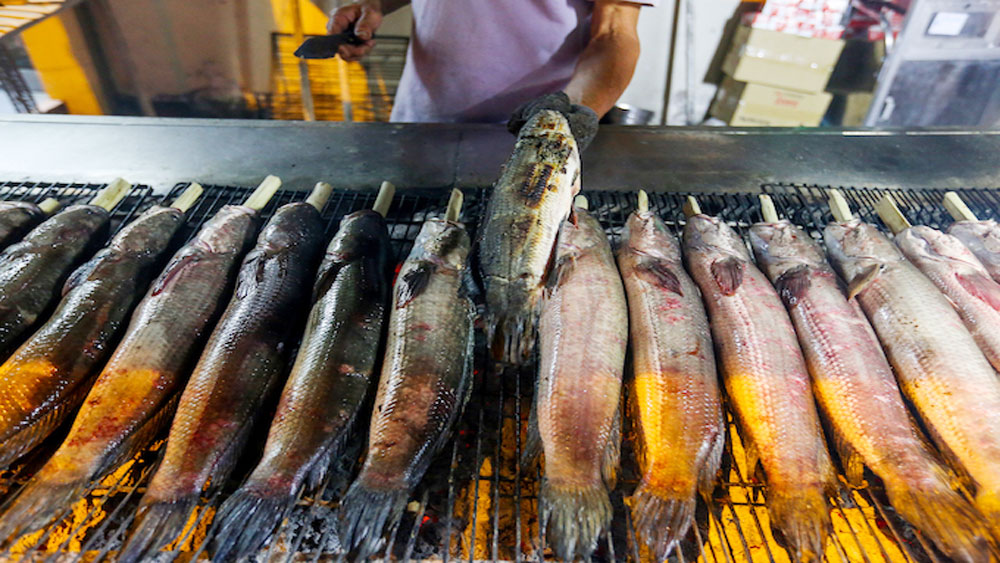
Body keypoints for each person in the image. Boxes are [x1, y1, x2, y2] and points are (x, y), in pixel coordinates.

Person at [327, 0, 653, 150]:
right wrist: (374, 5)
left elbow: (614, 33)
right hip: (421, 125)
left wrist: (566, 115)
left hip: (531, 137)